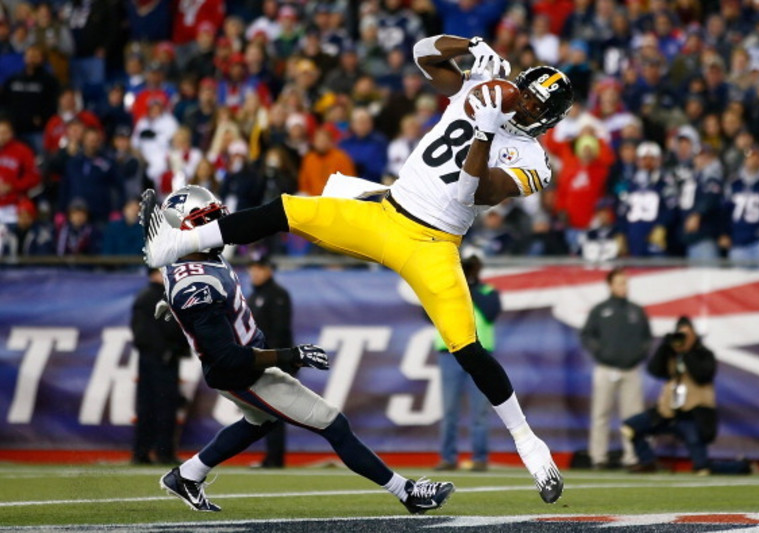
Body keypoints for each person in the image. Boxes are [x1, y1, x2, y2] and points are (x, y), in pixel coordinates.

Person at [141, 34, 574, 504]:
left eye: (535, 108)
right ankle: (176, 244)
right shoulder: (486, 87)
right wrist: (468, 48)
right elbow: (423, 52)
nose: (525, 109)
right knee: (286, 210)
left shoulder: (534, 162)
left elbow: (470, 193)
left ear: (549, 120)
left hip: (432, 244)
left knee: (466, 347)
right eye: (525, 97)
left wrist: (485, 130)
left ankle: (528, 443)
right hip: (385, 213)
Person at [154, 185, 454, 514]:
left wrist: (180, 309)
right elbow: (226, 354)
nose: (216, 224)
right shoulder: (195, 283)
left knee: (261, 422)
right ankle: (407, 492)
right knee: (333, 423)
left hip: (243, 362)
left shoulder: (194, 262)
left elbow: (191, 293)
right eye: (206, 219)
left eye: (215, 215)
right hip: (241, 372)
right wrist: (290, 355)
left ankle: (188, 475)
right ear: (182, 229)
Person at [623, 316, 752, 475]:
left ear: (694, 335)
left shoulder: (704, 354)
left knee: (702, 469)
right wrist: (665, 346)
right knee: (630, 427)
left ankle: (741, 467)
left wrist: (687, 352)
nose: (683, 339)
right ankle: (648, 461)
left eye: (687, 335)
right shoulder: (670, 354)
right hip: (667, 413)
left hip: (691, 416)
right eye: (680, 335)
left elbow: (702, 375)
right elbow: (654, 370)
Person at [434, 250, 499, 472]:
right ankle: (448, 458)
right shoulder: (447, 289)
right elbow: (427, 313)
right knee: (449, 409)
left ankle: (480, 458)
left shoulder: (488, 291)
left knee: (480, 410)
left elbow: (491, 313)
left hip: (480, 354)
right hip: (449, 352)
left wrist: (470, 285)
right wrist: (456, 282)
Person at [580, 268, 651, 469]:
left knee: (633, 416)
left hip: (631, 370)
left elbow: (647, 338)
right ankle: (598, 457)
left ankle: (632, 457)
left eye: (625, 282)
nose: (624, 286)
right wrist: (600, 352)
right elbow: (587, 336)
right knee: (600, 414)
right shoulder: (600, 310)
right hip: (605, 368)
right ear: (610, 285)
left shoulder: (636, 310)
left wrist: (638, 355)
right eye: (620, 282)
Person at [131, 268, 189, 465]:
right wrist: (169, 350)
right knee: (164, 407)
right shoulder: (159, 297)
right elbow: (167, 330)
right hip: (161, 360)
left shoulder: (145, 296)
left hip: (152, 359)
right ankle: (162, 452)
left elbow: (140, 333)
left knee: (148, 406)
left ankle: (143, 452)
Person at [247, 253, 295, 468]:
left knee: (276, 410)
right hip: (261, 360)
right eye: (252, 268)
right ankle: (271, 456)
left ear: (269, 270)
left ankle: (275, 458)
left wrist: (272, 359)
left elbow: (279, 332)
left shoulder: (277, 295)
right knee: (267, 411)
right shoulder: (253, 296)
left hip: (274, 362)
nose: (254, 272)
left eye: (259, 268)